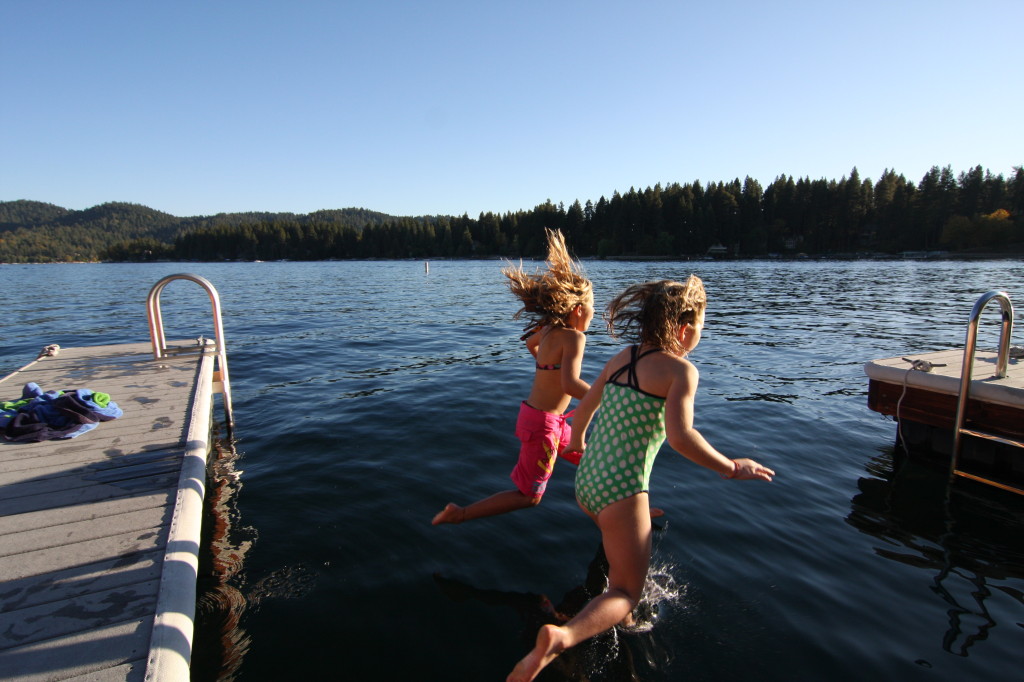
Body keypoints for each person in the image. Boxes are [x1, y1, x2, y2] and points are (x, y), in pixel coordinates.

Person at [507, 276, 776, 682]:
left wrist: (576, 444)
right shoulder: (681, 372)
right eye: (701, 327)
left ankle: (618, 557)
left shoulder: (623, 357)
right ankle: (562, 637)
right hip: (620, 490)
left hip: (588, 482)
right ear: (684, 329)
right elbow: (682, 437)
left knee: (620, 544)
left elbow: (582, 412)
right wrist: (731, 467)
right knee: (627, 592)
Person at [432, 228, 595, 525]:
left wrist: (545, 366)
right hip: (544, 425)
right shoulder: (574, 338)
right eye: (593, 309)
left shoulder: (547, 329)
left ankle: (623, 513)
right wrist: (607, 397)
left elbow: (529, 343)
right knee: (529, 497)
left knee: (595, 462)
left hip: (546, 420)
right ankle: (461, 513)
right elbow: (570, 384)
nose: (593, 315)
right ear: (579, 310)